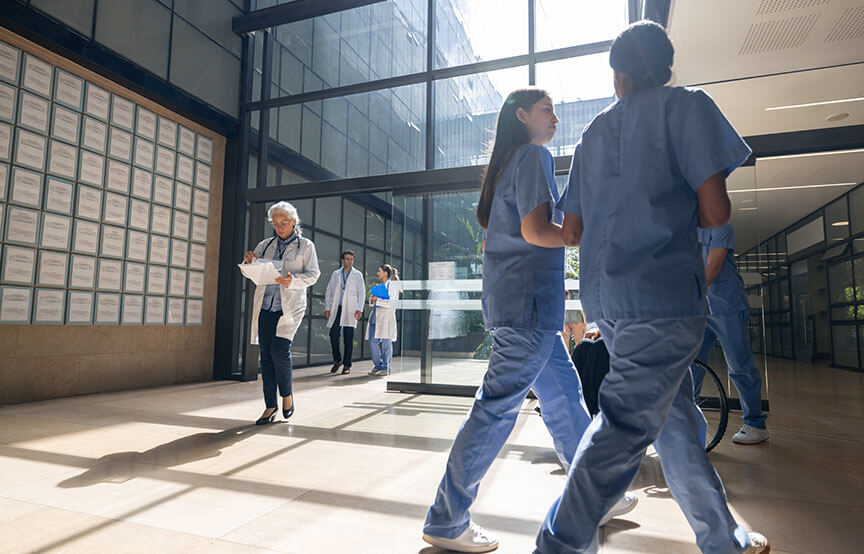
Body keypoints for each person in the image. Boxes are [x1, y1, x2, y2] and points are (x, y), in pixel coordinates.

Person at [535, 21, 769, 554]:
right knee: (621, 425)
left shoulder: (593, 130)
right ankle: (555, 545)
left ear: (618, 76)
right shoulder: (686, 106)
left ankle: (722, 537)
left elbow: (570, 232)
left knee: (676, 420)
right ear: (665, 67)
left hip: (607, 301)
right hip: (661, 297)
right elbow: (715, 210)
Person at [422, 88, 635, 554]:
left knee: (564, 399)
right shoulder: (533, 157)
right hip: (528, 308)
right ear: (522, 115)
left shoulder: (508, 164)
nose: (555, 118)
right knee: (496, 408)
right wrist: (582, 237)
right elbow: (536, 231)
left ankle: (595, 496)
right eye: (547, 110)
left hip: (519, 304)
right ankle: (446, 517)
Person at [243, 202, 320, 425]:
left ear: (293, 222)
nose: (279, 228)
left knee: (279, 349)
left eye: (283, 223)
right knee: (266, 356)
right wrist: (250, 262)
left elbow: (314, 275)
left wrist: (293, 281)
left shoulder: (305, 246)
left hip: (290, 307)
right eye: (275, 224)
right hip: (266, 305)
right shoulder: (265, 245)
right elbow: (252, 272)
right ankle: (270, 406)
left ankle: (286, 395)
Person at [693, 223, 769, 444]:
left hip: (727, 306)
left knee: (739, 366)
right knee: (692, 366)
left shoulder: (719, 225)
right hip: (699, 310)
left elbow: (714, 266)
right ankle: (689, 420)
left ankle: (755, 424)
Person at [324, 251, 365, 375]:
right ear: (342, 260)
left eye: (351, 259)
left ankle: (347, 365)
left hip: (350, 308)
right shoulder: (336, 274)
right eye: (347, 259)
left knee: (348, 337)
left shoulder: (357, 275)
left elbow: (362, 292)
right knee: (333, 334)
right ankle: (338, 360)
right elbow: (329, 290)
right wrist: (327, 307)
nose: (349, 261)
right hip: (337, 308)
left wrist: (360, 309)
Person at [366, 264, 400, 377]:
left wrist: (378, 300)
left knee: (386, 343)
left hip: (386, 318)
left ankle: (386, 367)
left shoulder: (393, 286)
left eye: (379, 271)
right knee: (372, 341)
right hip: (375, 316)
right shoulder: (379, 286)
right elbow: (372, 303)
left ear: (385, 273)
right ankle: (378, 365)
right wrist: (372, 300)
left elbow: (392, 302)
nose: (377, 273)